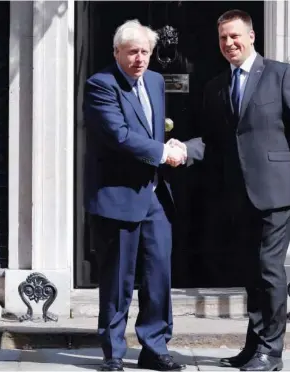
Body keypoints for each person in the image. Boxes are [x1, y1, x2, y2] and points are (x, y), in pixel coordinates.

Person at [175, 9, 290, 371]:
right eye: (223, 38)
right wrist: (184, 150)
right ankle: (254, 346)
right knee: (251, 270)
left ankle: (272, 352)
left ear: (252, 37)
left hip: (277, 191)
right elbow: (214, 142)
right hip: (238, 194)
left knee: (268, 267)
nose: (229, 43)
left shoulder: (280, 75)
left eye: (235, 36)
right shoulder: (216, 86)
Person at [83, 19, 187, 372]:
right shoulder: (101, 84)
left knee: (158, 274)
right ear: (117, 53)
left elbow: (151, 129)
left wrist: (168, 146)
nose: (140, 59)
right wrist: (162, 151)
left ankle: (154, 347)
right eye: (132, 52)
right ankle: (113, 354)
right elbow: (120, 135)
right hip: (117, 197)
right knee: (117, 280)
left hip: (154, 196)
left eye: (145, 51)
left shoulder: (156, 81)